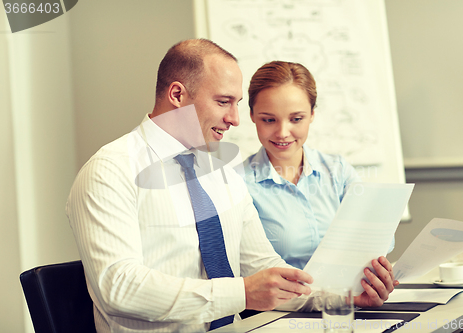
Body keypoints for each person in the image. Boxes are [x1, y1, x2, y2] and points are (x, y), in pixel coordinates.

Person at [66, 39, 313, 333]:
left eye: (236, 105)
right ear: (177, 94)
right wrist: (241, 293)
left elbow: (264, 267)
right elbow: (120, 287)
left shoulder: (224, 174)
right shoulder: (110, 170)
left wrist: (343, 296)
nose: (234, 119)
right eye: (223, 102)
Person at [244, 60, 398, 308]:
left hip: (350, 307)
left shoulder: (337, 170)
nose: (283, 132)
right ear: (252, 115)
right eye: (269, 120)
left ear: (312, 114)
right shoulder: (239, 184)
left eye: (296, 118)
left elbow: (379, 235)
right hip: (279, 318)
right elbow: (257, 278)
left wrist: (376, 272)